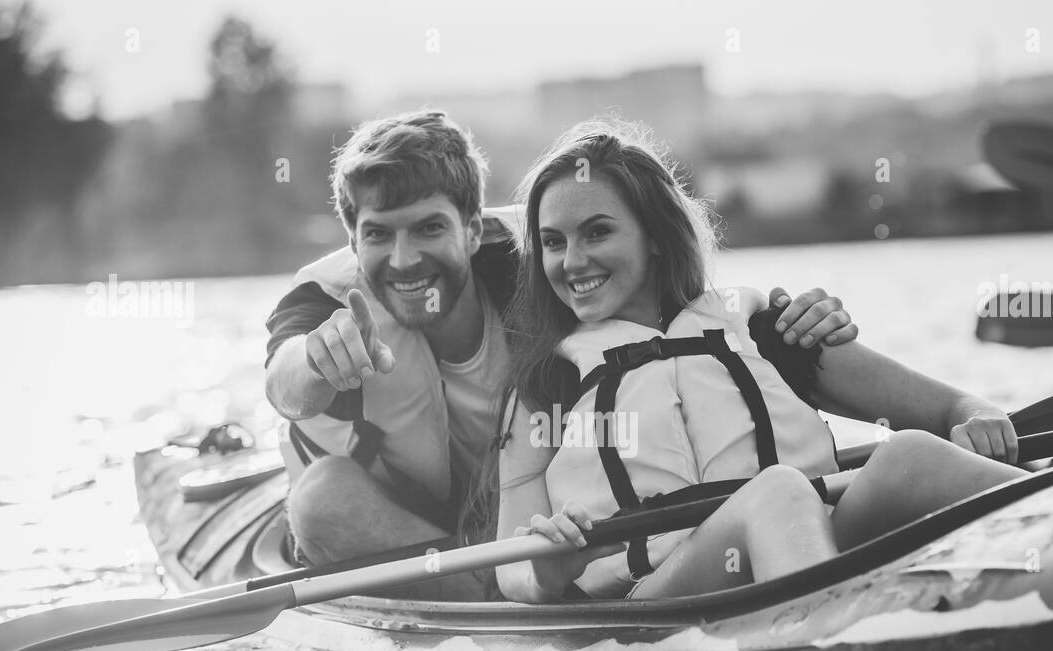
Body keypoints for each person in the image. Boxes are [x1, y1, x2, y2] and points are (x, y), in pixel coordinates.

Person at [262, 110, 862, 598]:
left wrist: (798, 324)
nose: (403, 259)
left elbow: (683, 326)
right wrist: (317, 361)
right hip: (418, 535)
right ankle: (495, 607)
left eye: (428, 228)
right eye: (378, 234)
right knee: (319, 500)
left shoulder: (548, 265)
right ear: (352, 239)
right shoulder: (324, 303)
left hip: (522, 519)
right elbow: (284, 383)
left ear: (472, 230)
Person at [495, 121, 1027, 603]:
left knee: (907, 454)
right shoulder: (548, 384)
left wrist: (979, 416)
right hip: (664, 594)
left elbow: (952, 407)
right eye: (552, 242)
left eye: (597, 232)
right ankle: (829, 650)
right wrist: (548, 571)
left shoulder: (761, 329)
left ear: (655, 236)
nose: (572, 261)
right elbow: (509, 570)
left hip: (813, 543)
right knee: (776, 490)